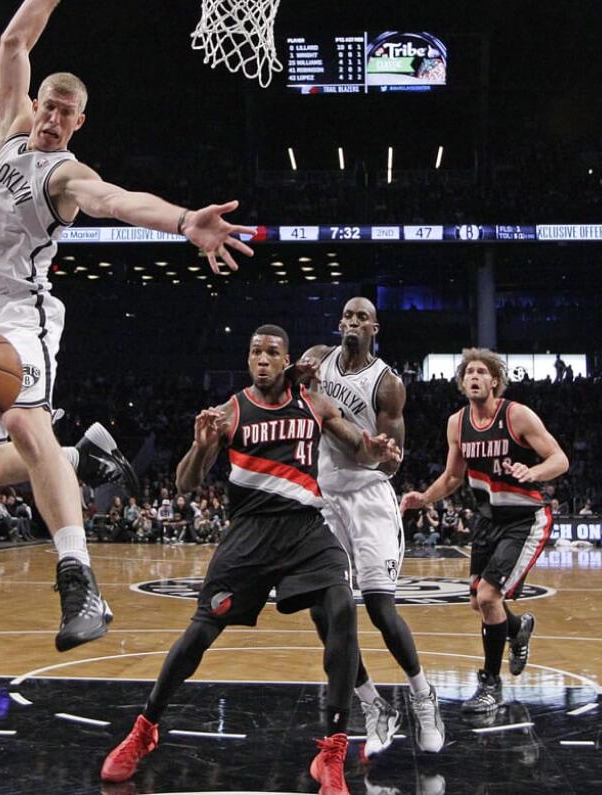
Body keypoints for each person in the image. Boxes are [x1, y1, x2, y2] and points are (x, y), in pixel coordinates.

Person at [0, 0, 255, 652]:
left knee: (23, 421)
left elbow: (114, 200)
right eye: (48, 106)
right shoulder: (9, 137)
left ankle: (80, 581)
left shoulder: (65, 173)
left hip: (22, 316)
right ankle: (81, 456)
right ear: (35, 106)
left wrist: (182, 221)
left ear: (78, 124)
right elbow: (14, 39)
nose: (52, 118)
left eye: (66, 113)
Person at [100, 325, 399, 795]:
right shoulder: (229, 411)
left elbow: (356, 445)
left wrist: (375, 450)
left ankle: (332, 752)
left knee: (342, 608)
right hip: (250, 535)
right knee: (199, 633)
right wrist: (201, 447)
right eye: (255, 352)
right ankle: (144, 730)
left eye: (272, 352)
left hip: (304, 528)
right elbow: (184, 484)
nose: (262, 359)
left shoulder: (315, 403)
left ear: (286, 360)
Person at [296, 298, 443, 758]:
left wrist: (381, 451)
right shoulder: (317, 360)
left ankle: (423, 698)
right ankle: (375, 706)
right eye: (349, 316)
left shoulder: (389, 384)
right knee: (326, 611)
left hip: (369, 498)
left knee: (380, 609)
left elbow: (387, 461)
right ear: (340, 323)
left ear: (375, 327)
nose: (354, 323)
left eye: (363, 317)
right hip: (325, 496)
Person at [401, 348, 569, 716]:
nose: (474, 377)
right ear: (462, 383)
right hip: (487, 520)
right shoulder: (456, 424)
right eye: (468, 373)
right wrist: (424, 498)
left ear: (494, 380)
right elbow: (452, 477)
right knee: (479, 601)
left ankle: (490, 684)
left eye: (482, 372)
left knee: (490, 597)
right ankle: (518, 628)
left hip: (525, 517)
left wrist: (534, 473)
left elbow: (559, 459)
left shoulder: (517, 415)